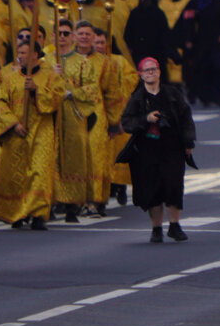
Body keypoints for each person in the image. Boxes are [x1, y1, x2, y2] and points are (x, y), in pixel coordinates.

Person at [0, 28, 63, 229]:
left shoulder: (50, 77)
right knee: (16, 174)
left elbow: (56, 100)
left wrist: (36, 91)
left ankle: (37, 214)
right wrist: (14, 123)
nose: (20, 57)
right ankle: (17, 214)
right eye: (19, 54)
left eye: (24, 54)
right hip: (16, 132)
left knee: (39, 172)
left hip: (41, 130)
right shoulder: (10, 79)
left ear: (35, 55)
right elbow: (0, 103)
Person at [121, 56, 195, 243]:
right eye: (147, 70)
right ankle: (156, 228)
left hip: (172, 147)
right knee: (152, 189)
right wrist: (146, 119)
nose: (151, 73)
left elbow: (186, 117)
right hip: (147, 149)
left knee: (173, 185)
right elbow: (127, 122)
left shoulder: (172, 94)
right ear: (141, 75)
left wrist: (188, 142)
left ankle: (175, 225)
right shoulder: (137, 98)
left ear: (160, 72)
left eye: (154, 69)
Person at [55, 21, 109, 222]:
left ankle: (81, 202)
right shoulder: (50, 60)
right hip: (51, 115)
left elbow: (95, 89)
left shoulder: (90, 62)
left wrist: (70, 93)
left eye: (66, 33)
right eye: (59, 33)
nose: (62, 36)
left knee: (81, 160)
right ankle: (55, 201)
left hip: (80, 115)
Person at [95, 28, 138, 210]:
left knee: (118, 152)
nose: (98, 46)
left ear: (107, 44)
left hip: (116, 110)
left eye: (101, 42)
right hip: (97, 113)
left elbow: (132, 78)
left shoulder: (118, 61)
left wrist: (118, 81)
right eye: (95, 42)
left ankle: (119, 186)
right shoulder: (88, 62)